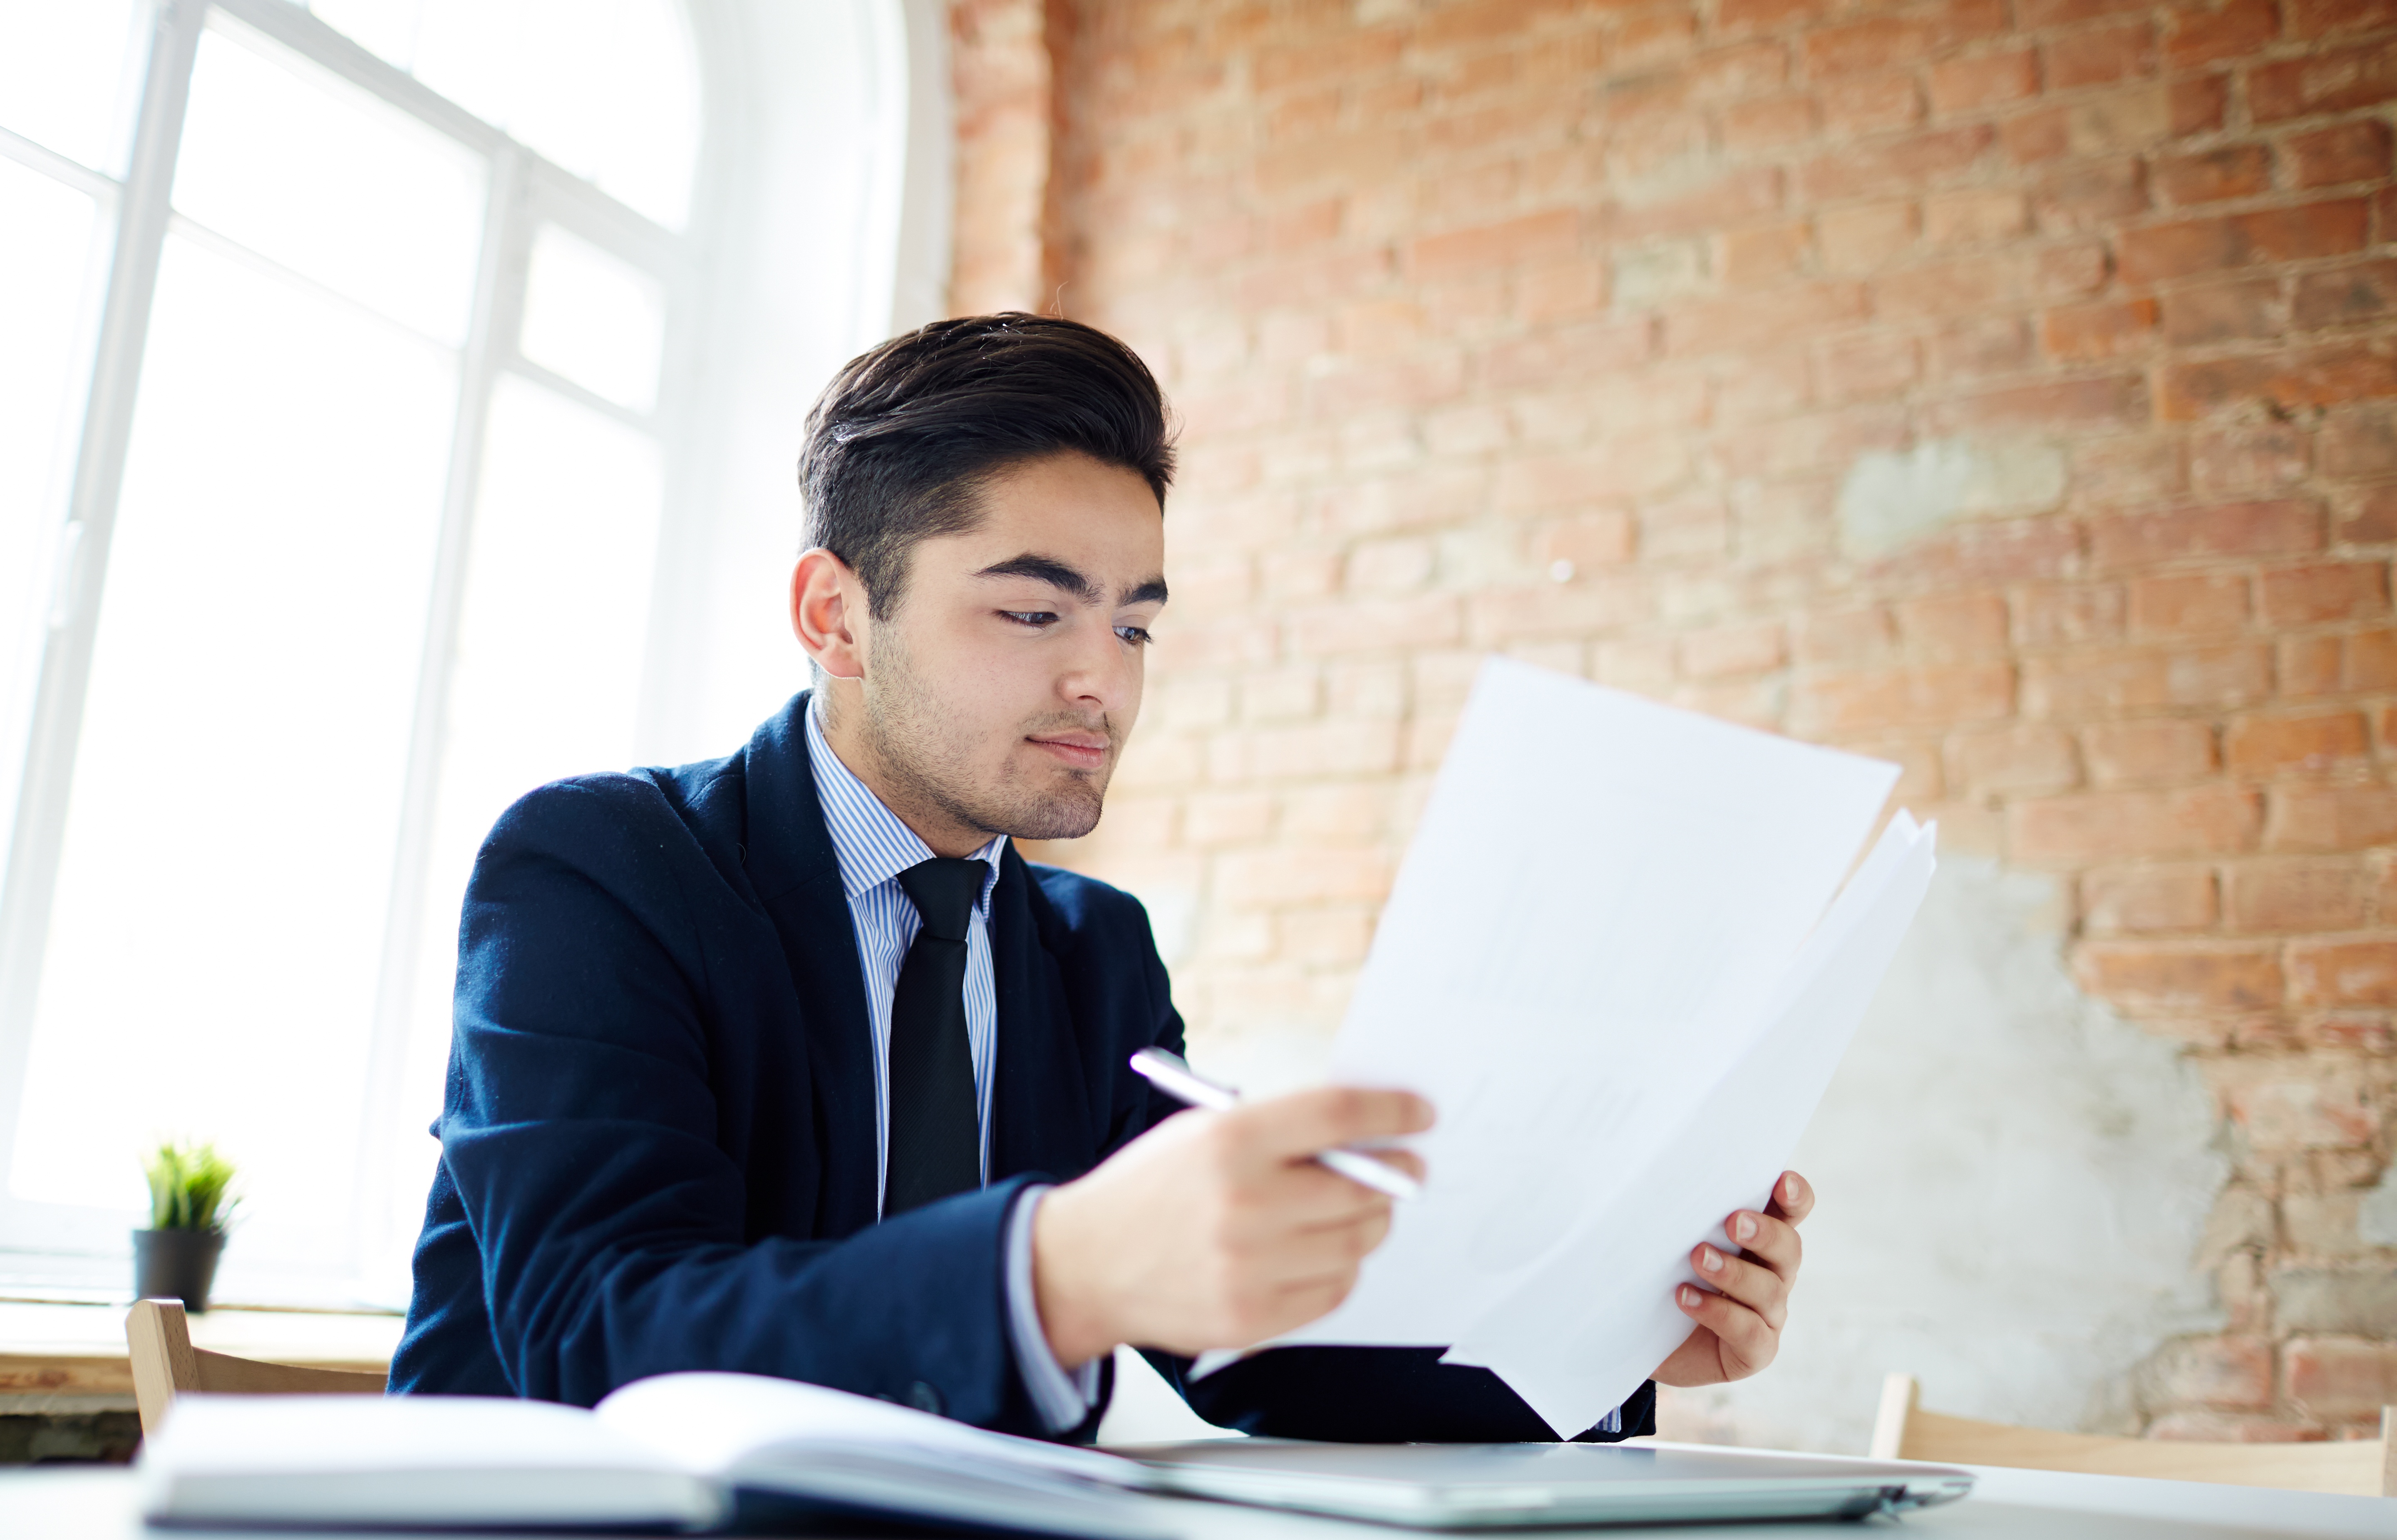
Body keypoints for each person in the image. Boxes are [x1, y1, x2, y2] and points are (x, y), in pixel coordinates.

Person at [389, 313, 1816, 1442]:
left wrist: (1605, 1346)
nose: (1100, 681)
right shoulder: (599, 871)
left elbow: (1243, 1351)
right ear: (836, 614)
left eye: (1135, 628)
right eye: (1030, 610)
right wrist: (1058, 1266)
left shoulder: (1092, 953)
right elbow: (595, 1329)